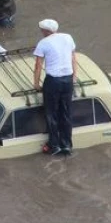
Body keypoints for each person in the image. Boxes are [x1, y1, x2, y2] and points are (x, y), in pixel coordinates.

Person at [32, 19, 77, 156]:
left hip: (53, 81)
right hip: (68, 80)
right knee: (66, 113)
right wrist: (74, 77)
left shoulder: (43, 43)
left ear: (46, 31)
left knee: (51, 114)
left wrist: (36, 84)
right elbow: (73, 58)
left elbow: (38, 65)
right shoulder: (68, 37)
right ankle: (67, 145)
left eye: (41, 30)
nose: (41, 32)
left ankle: (54, 145)